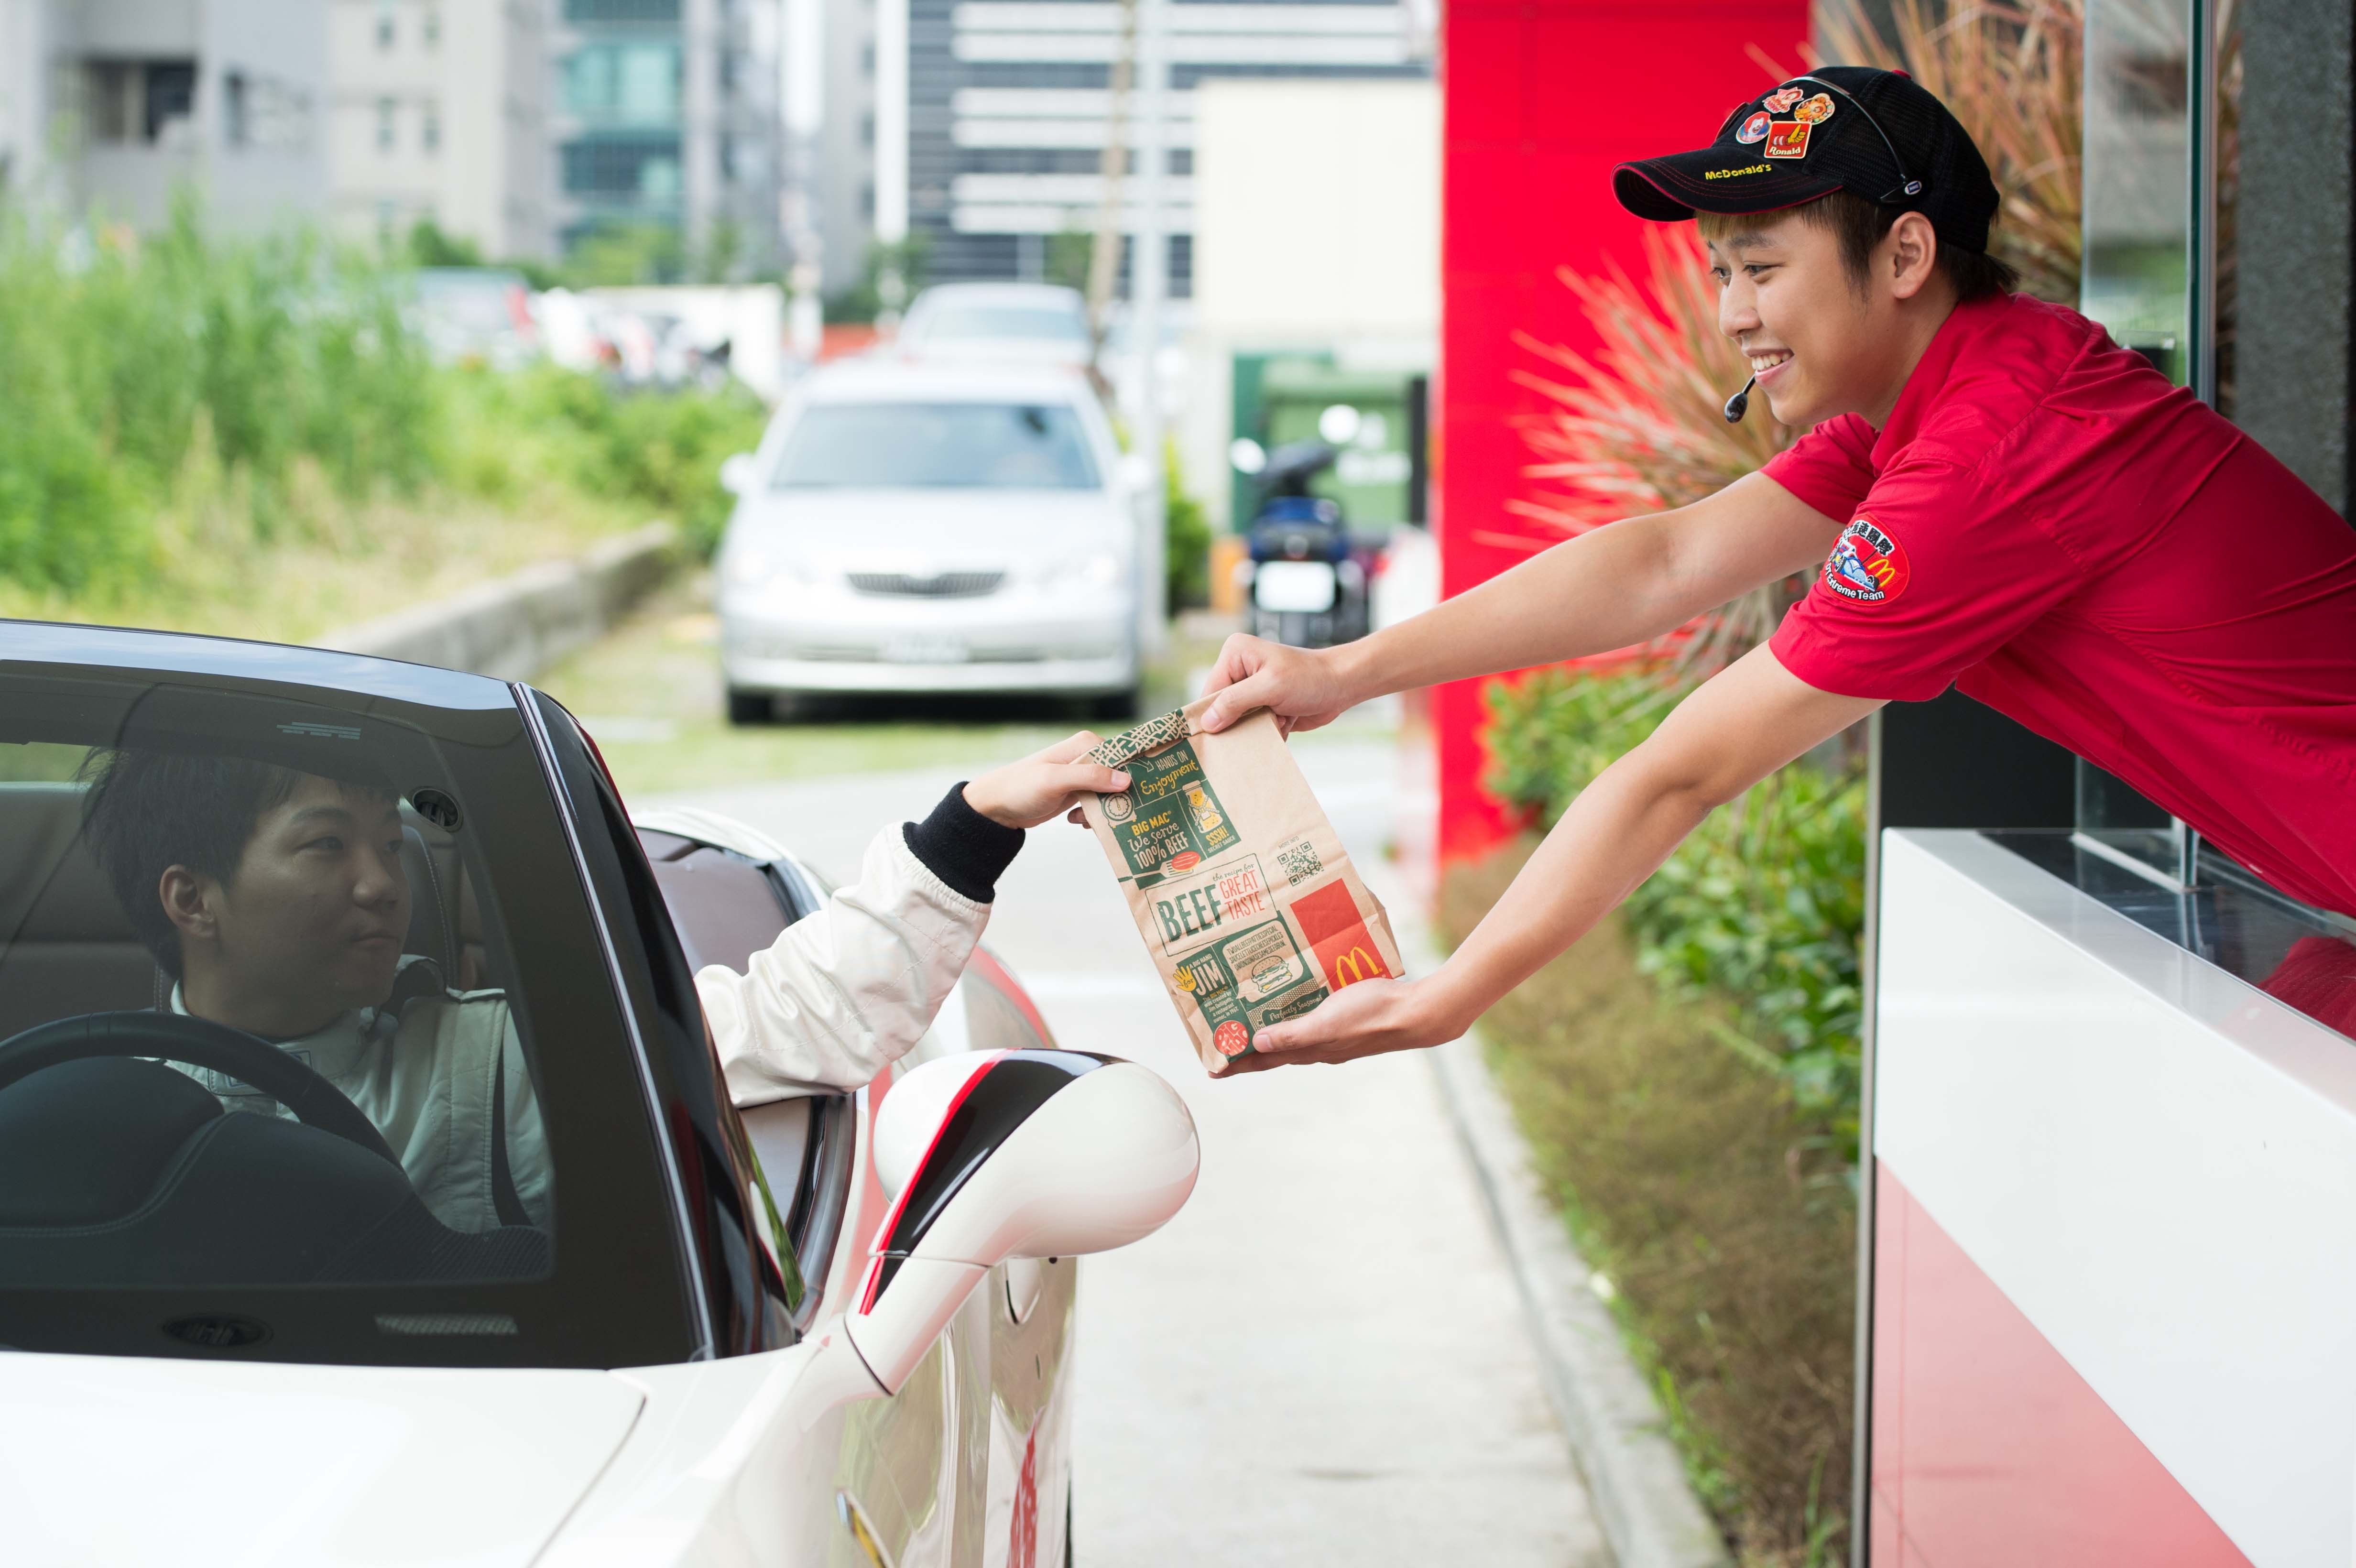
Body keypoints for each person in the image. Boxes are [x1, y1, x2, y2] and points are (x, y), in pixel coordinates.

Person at [1198, 65, 2356, 1072]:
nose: (1735, 315)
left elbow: (1684, 773)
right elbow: (1666, 559)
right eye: (1720, 273)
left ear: (1904, 254)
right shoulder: (1945, 397)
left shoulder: (1992, 452)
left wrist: (1452, 992)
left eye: (1760, 267)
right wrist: (1344, 670)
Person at [77, 736, 1129, 1231]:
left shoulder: (502, 1061)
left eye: (388, 845)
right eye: (322, 846)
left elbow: (799, 1018)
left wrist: (976, 822)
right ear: (192, 898)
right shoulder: (77, 1104)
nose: (379, 882)